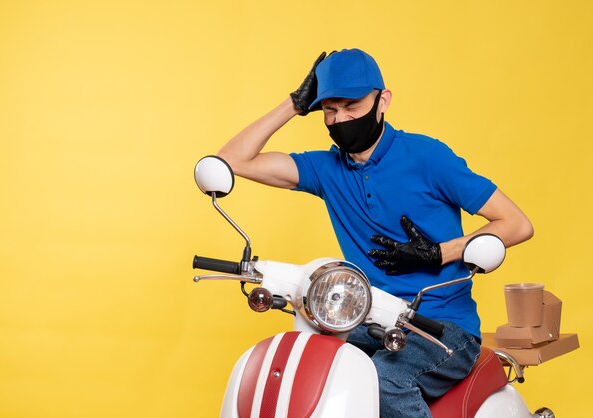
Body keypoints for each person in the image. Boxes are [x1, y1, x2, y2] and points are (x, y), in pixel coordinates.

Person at [217, 48, 533, 418]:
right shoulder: (325, 169)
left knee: (386, 380)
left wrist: (439, 253)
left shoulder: (428, 157)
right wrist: (294, 104)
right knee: (298, 363)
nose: (340, 118)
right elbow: (233, 160)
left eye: (352, 106)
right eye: (330, 110)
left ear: (382, 101)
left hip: (443, 327)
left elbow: (516, 224)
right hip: (365, 319)